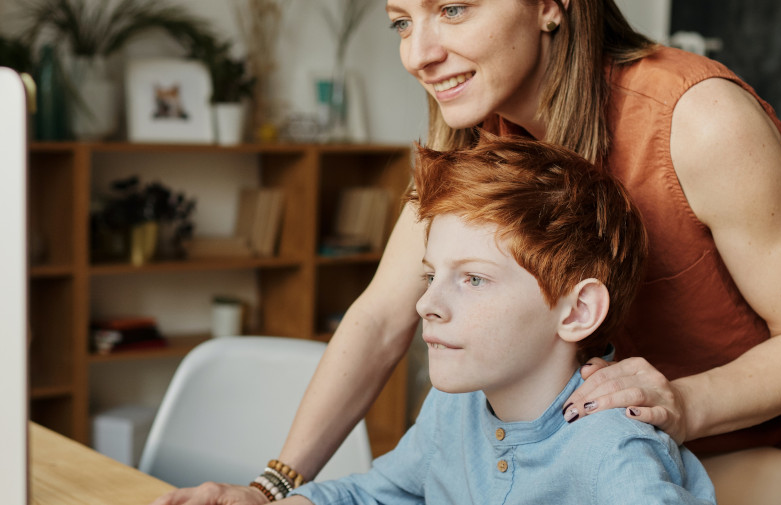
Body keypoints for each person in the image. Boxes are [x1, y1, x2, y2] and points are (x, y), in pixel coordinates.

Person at [152, 0, 781, 505]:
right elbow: (383, 313)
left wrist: (685, 402)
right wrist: (273, 487)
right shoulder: (466, 130)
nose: (419, 54)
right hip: (605, 451)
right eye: (402, 22)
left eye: (452, 10)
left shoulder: (698, 120)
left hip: (772, 452)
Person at [275, 135, 717, 505]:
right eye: (430, 275)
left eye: (473, 279)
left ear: (578, 311)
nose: (426, 303)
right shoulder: (453, 406)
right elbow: (380, 494)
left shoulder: (616, 450)